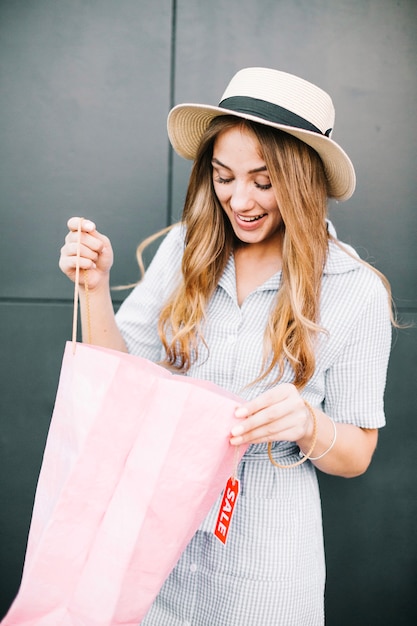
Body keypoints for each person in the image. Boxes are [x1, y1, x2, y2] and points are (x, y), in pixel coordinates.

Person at [59, 67, 394, 625]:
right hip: (155, 557)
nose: (240, 200)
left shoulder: (353, 290)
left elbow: (357, 454)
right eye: (223, 177)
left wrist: (307, 422)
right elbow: (123, 381)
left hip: (266, 574)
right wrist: (93, 288)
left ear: (303, 179)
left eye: (264, 181)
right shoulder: (185, 250)